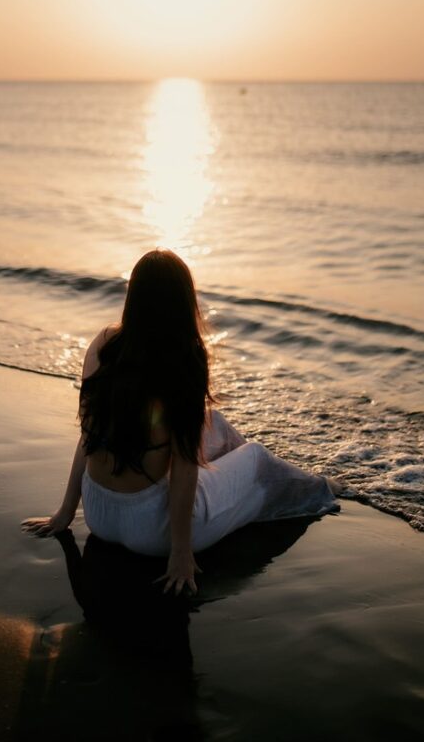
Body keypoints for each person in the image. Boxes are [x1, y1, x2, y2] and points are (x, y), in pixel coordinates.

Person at [22, 249, 339, 594]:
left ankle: (243, 476)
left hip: (98, 513)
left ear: (134, 296)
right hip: (152, 530)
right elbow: (185, 466)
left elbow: (89, 434)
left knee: (212, 422)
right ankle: (321, 488)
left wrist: (66, 513)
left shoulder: (104, 344)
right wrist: (180, 552)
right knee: (258, 458)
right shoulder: (184, 358)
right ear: (183, 300)